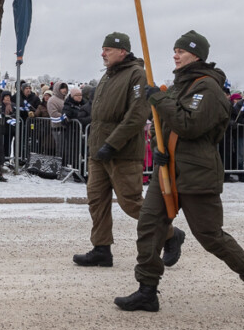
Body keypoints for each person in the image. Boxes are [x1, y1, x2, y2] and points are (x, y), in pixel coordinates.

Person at [115, 30, 244, 319]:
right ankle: (147, 290)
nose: (175, 55)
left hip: (197, 173)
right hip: (167, 170)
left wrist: (160, 101)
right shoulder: (179, 87)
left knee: (210, 236)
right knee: (149, 226)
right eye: (175, 50)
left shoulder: (209, 89)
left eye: (182, 51)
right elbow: (163, 126)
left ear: (198, 56)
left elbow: (189, 126)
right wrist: (158, 146)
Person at [77, 32, 184, 268]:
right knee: (96, 200)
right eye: (103, 48)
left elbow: (136, 115)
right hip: (98, 151)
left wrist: (112, 144)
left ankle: (170, 234)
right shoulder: (107, 76)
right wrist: (98, 146)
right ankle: (101, 248)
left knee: (131, 202)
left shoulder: (137, 74)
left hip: (123, 152)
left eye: (108, 49)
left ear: (122, 52)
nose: (102, 53)